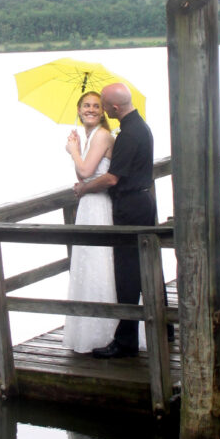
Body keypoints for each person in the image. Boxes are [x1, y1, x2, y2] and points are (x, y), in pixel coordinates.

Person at [73, 82, 156, 359]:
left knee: (129, 274)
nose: (102, 109)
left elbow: (111, 178)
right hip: (139, 202)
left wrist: (83, 188)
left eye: (104, 105)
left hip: (131, 205)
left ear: (114, 107)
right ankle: (161, 329)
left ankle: (126, 341)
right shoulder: (136, 127)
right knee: (144, 268)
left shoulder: (129, 134)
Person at [63, 91, 118, 354]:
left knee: (98, 262)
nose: (91, 109)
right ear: (78, 108)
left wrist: (73, 152)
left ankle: (104, 332)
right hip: (88, 205)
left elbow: (85, 171)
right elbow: (84, 174)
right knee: (85, 262)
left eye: (96, 106)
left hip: (98, 206)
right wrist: (78, 148)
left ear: (103, 110)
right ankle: (86, 329)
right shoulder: (88, 136)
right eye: (86, 105)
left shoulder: (103, 135)